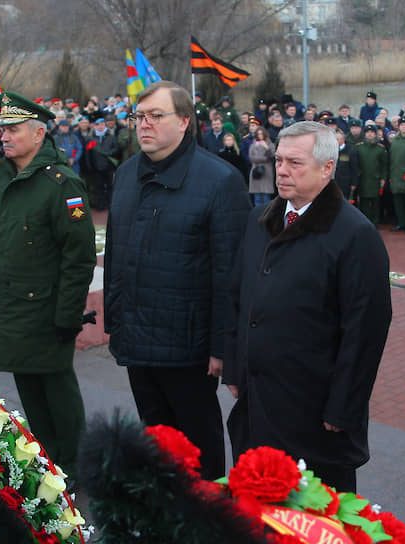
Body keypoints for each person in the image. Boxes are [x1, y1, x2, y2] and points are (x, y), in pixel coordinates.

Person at [223, 121, 391, 492]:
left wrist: (343, 407)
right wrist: (234, 365)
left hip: (314, 417)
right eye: (279, 159)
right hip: (257, 407)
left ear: (327, 168)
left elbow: (364, 331)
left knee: (317, 520)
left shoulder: (355, 235)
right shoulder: (259, 220)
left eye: (295, 163)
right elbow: (239, 296)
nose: (281, 169)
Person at [103, 80, 250, 480]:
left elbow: (229, 274)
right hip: (137, 337)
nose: (144, 125)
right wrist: (114, 320)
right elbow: (116, 253)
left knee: (198, 450)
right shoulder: (128, 173)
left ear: (185, 121)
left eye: (156, 116)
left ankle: (207, 521)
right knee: (157, 445)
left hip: (189, 346)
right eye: (139, 116)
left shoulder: (219, 180)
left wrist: (223, 346)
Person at [0, 91, 96, 474]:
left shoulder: (61, 184)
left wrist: (68, 314)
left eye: (13, 128)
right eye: (2, 128)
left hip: (46, 308)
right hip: (9, 305)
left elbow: (78, 257)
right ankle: (50, 462)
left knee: (59, 393)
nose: (5, 135)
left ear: (39, 133)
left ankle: (78, 467)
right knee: (29, 389)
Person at [354, 124, 387, 225]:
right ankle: (365, 223)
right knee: (363, 202)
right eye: (368, 132)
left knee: (376, 203)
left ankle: (375, 222)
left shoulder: (380, 149)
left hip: (375, 179)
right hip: (363, 179)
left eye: (372, 132)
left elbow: (384, 165)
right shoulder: (359, 147)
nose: (370, 134)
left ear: (375, 134)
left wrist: (383, 178)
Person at [248, 127, 276, 207]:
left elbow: (272, 156)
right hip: (255, 171)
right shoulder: (253, 145)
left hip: (266, 171)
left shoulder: (270, 144)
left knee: (266, 195)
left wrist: (266, 148)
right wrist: (264, 158)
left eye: (261, 134)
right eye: (258, 134)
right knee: (257, 196)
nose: (260, 135)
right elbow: (252, 158)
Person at [335, 129, 360, 202]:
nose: (335, 141)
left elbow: (355, 168)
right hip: (335, 182)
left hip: (346, 183)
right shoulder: (332, 150)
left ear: (343, 140)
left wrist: (354, 183)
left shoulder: (350, 151)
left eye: (337, 139)